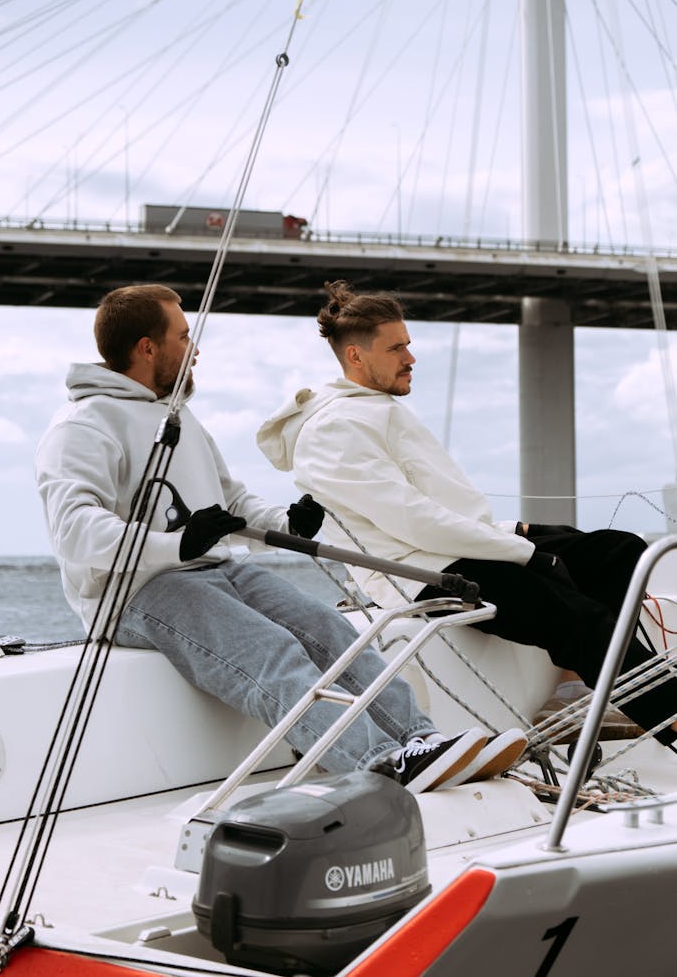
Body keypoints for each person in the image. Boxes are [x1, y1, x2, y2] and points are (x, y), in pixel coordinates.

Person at [35, 283, 527, 794]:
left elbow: (232, 503)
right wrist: (176, 545)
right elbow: (74, 531)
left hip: (214, 570)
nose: (196, 349)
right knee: (273, 652)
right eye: (185, 337)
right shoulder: (82, 425)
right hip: (138, 591)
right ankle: (381, 762)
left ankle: (422, 742)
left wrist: (290, 524)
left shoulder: (178, 418)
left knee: (331, 630)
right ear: (148, 347)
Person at [257, 279, 677, 747]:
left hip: (459, 545)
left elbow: (433, 507)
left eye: (408, 346)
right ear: (356, 357)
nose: (411, 358)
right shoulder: (333, 430)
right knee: (580, 617)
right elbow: (412, 521)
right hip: (426, 572)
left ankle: (581, 681)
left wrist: (510, 532)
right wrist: (520, 550)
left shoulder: (370, 409)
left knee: (618, 551)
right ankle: (669, 713)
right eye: (397, 348)